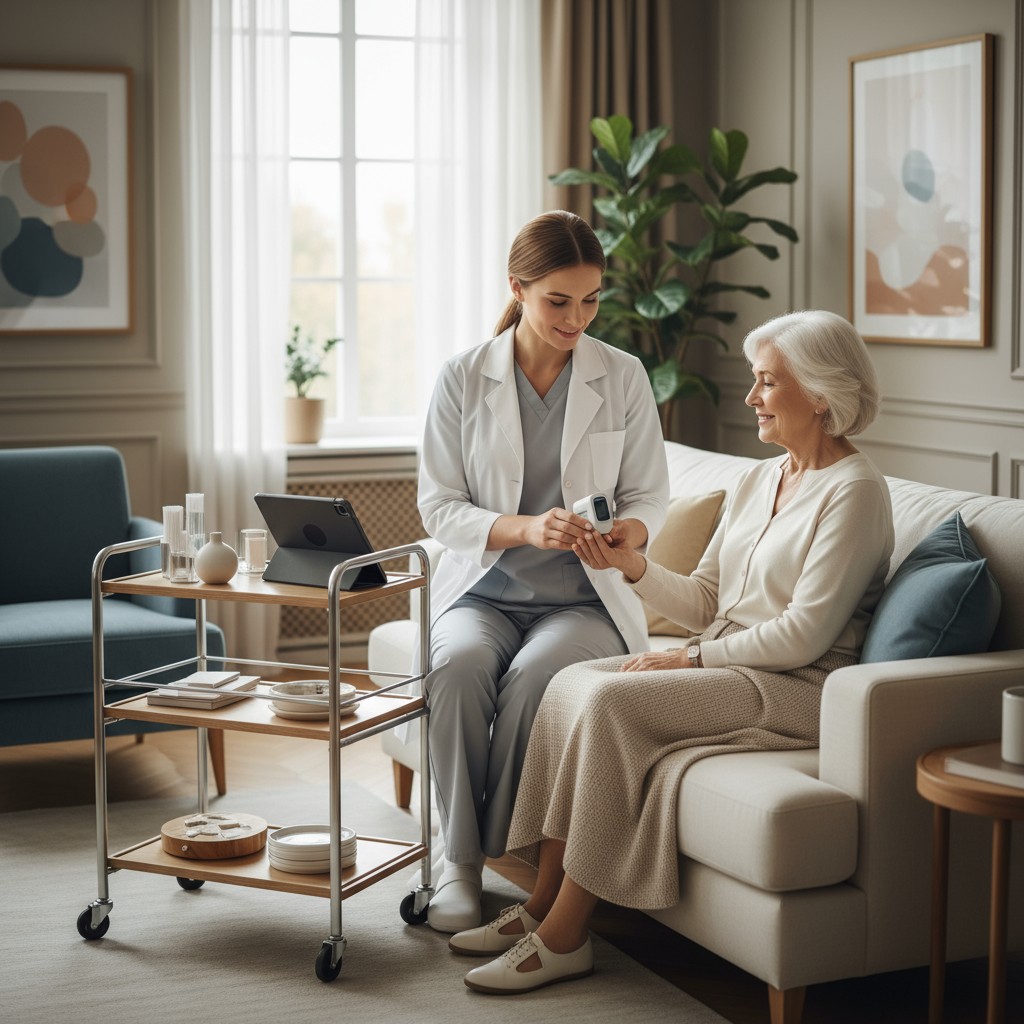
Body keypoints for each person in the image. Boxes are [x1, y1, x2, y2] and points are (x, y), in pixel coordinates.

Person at [448, 309, 896, 993]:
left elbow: (805, 634)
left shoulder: (856, 493)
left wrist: (687, 660)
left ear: (821, 393)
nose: (751, 398)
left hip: (802, 685)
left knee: (612, 706)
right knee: (570, 684)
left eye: (768, 383)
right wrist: (631, 565)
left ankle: (567, 936)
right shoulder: (760, 478)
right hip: (731, 661)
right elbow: (709, 601)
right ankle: (537, 905)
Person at [417, 211, 670, 932]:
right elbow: (439, 507)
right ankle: (458, 868)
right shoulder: (464, 378)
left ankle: (492, 849)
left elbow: (651, 490)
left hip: (583, 603)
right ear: (518, 289)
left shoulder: (620, 375)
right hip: (484, 592)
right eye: (559, 300)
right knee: (458, 669)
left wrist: (631, 530)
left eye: (591, 300)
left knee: (537, 679)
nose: (577, 318)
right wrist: (526, 527)